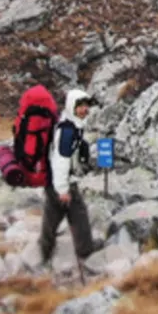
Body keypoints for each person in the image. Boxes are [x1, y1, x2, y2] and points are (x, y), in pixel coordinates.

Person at [38, 88, 95, 266]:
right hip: (61, 183)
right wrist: (62, 189)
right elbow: (61, 161)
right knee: (77, 215)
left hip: (56, 182)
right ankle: (85, 254)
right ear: (72, 107)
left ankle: (45, 251)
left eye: (87, 105)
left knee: (53, 218)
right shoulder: (67, 132)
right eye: (81, 106)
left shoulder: (72, 126)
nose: (85, 109)